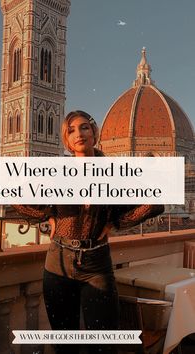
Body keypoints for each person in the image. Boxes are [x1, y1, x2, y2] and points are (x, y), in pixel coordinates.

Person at [14, 110, 164, 354]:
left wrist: (117, 222)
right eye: (71, 130)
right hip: (58, 263)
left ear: (94, 133)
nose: (78, 134)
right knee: (64, 343)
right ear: (67, 140)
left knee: (103, 343)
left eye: (84, 127)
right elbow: (17, 199)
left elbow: (155, 203)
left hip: (96, 264)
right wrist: (47, 216)